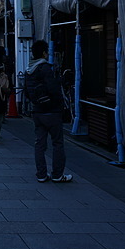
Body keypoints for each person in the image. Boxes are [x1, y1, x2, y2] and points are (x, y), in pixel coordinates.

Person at [25, 40, 72, 182]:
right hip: (51, 111)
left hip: (37, 111)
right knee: (57, 143)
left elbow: (26, 91)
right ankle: (57, 174)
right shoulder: (45, 69)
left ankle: (41, 174)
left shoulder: (29, 69)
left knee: (40, 143)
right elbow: (54, 90)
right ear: (44, 53)